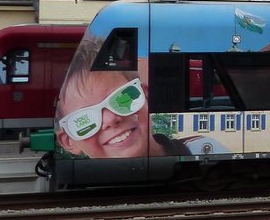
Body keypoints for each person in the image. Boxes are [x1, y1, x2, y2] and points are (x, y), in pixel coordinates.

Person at [56, 35, 227, 159]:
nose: (110, 119)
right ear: (68, 140)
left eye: (122, 97)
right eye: (84, 118)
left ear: (146, 95)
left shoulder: (206, 149)